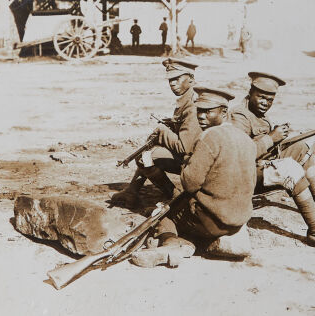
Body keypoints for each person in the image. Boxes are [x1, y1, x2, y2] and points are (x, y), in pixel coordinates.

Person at [131, 86, 275, 268]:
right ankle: (224, 241)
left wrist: (187, 161)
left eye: (208, 112)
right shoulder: (246, 139)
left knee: (163, 213)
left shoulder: (208, 137)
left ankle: (170, 246)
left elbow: (190, 184)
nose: (201, 116)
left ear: (224, 112)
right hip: (239, 218)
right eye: (199, 111)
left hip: (212, 221)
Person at [230, 72, 315, 254]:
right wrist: (271, 138)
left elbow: (263, 146)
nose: (265, 103)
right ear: (250, 92)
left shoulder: (261, 115)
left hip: (258, 166)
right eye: (261, 97)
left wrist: (280, 139)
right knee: (289, 170)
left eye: (270, 100)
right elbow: (239, 155)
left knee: (300, 148)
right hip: (242, 177)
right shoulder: (239, 115)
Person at [110, 58, 201, 208]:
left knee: (144, 158)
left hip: (196, 161)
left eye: (177, 78)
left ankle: (173, 195)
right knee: (148, 151)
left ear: (190, 79)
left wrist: (162, 131)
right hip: (195, 155)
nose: (172, 83)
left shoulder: (193, 105)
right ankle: (132, 190)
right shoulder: (188, 99)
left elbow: (185, 148)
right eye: (170, 80)